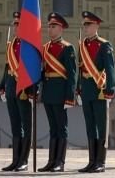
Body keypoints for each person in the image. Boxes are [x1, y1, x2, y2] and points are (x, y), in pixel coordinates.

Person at [77, 11, 115, 173]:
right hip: (86, 90)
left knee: (101, 126)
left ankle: (101, 161)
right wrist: (79, 89)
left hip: (99, 90)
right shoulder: (83, 45)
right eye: (84, 24)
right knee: (90, 126)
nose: (85, 27)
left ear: (96, 26)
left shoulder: (104, 45)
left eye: (88, 24)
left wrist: (110, 90)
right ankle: (91, 161)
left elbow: (110, 69)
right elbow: (81, 69)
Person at [38, 12, 76, 172]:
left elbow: (72, 74)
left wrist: (70, 97)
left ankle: (60, 162)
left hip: (61, 93)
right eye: (49, 26)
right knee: (52, 128)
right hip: (48, 93)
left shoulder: (67, 48)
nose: (50, 28)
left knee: (61, 128)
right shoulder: (45, 48)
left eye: (53, 26)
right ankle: (51, 161)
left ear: (61, 28)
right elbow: (42, 71)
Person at [0, 11, 35, 172]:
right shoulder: (11, 44)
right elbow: (7, 67)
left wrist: (34, 90)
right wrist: (2, 85)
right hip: (11, 87)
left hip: (24, 89)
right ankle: (15, 159)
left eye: (18, 24)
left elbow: (34, 70)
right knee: (15, 125)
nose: (15, 26)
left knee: (26, 125)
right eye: (14, 23)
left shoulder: (29, 46)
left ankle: (24, 160)